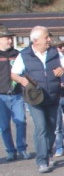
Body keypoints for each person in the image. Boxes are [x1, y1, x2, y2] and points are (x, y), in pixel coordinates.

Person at [11, 26, 64, 173]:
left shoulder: (55, 52)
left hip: (53, 96)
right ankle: (42, 160)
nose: (49, 39)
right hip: (35, 98)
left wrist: (63, 69)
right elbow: (14, 73)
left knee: (51, 128)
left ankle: (48, 154)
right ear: (36, 41)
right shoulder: (24, 55)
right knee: (41, 127)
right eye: (46, 37)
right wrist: (21, 80)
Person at [0, 24, 30, 162]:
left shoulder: (17, 54)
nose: (10, 41)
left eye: (11, 38)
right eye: (7, 38)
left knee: (21, 122)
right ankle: (10, 151)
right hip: (1, 96)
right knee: (4, 126)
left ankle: (22, 148)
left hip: (17, 94)